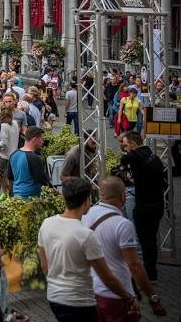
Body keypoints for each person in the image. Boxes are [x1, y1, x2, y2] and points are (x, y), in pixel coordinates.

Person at [38, 177, 138, 322]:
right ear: (87, 200)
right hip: (80, 303)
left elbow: (44, 266)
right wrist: (128, 297)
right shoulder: (85, 235)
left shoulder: (46, 223)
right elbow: (107, 278)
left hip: (54, 298)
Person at [81, 176, 167, 320]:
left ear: (101, 194)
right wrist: (153, 298)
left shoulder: (87, 214)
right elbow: (135, 265)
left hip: (92, 291)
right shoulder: (123, 224)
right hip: (117, 294)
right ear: (123, 195)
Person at [118, 130, 166, 281]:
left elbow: (124, 159)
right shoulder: (153, 156)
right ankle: (151, 270)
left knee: (145, 240)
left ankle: (147, 271)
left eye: (125, 145)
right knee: (151, 239)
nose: (124, 148)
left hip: (144, 205)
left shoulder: (136, 156)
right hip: (157, 205)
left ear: (133, 144)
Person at [7, 126, 49, 198]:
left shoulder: (13, 154)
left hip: (16, 197)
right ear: (34, 139)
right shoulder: (35, 158)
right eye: (41, 139)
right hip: (31, 199)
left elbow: (10, 176)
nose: (43, 141)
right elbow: (43, 180)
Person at [0, 104, 20, 197]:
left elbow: (3, 142)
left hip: (4, 156)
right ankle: (10, 195)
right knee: (11, 177)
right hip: (14, 154)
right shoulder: (15, 123)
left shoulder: (3, 126)